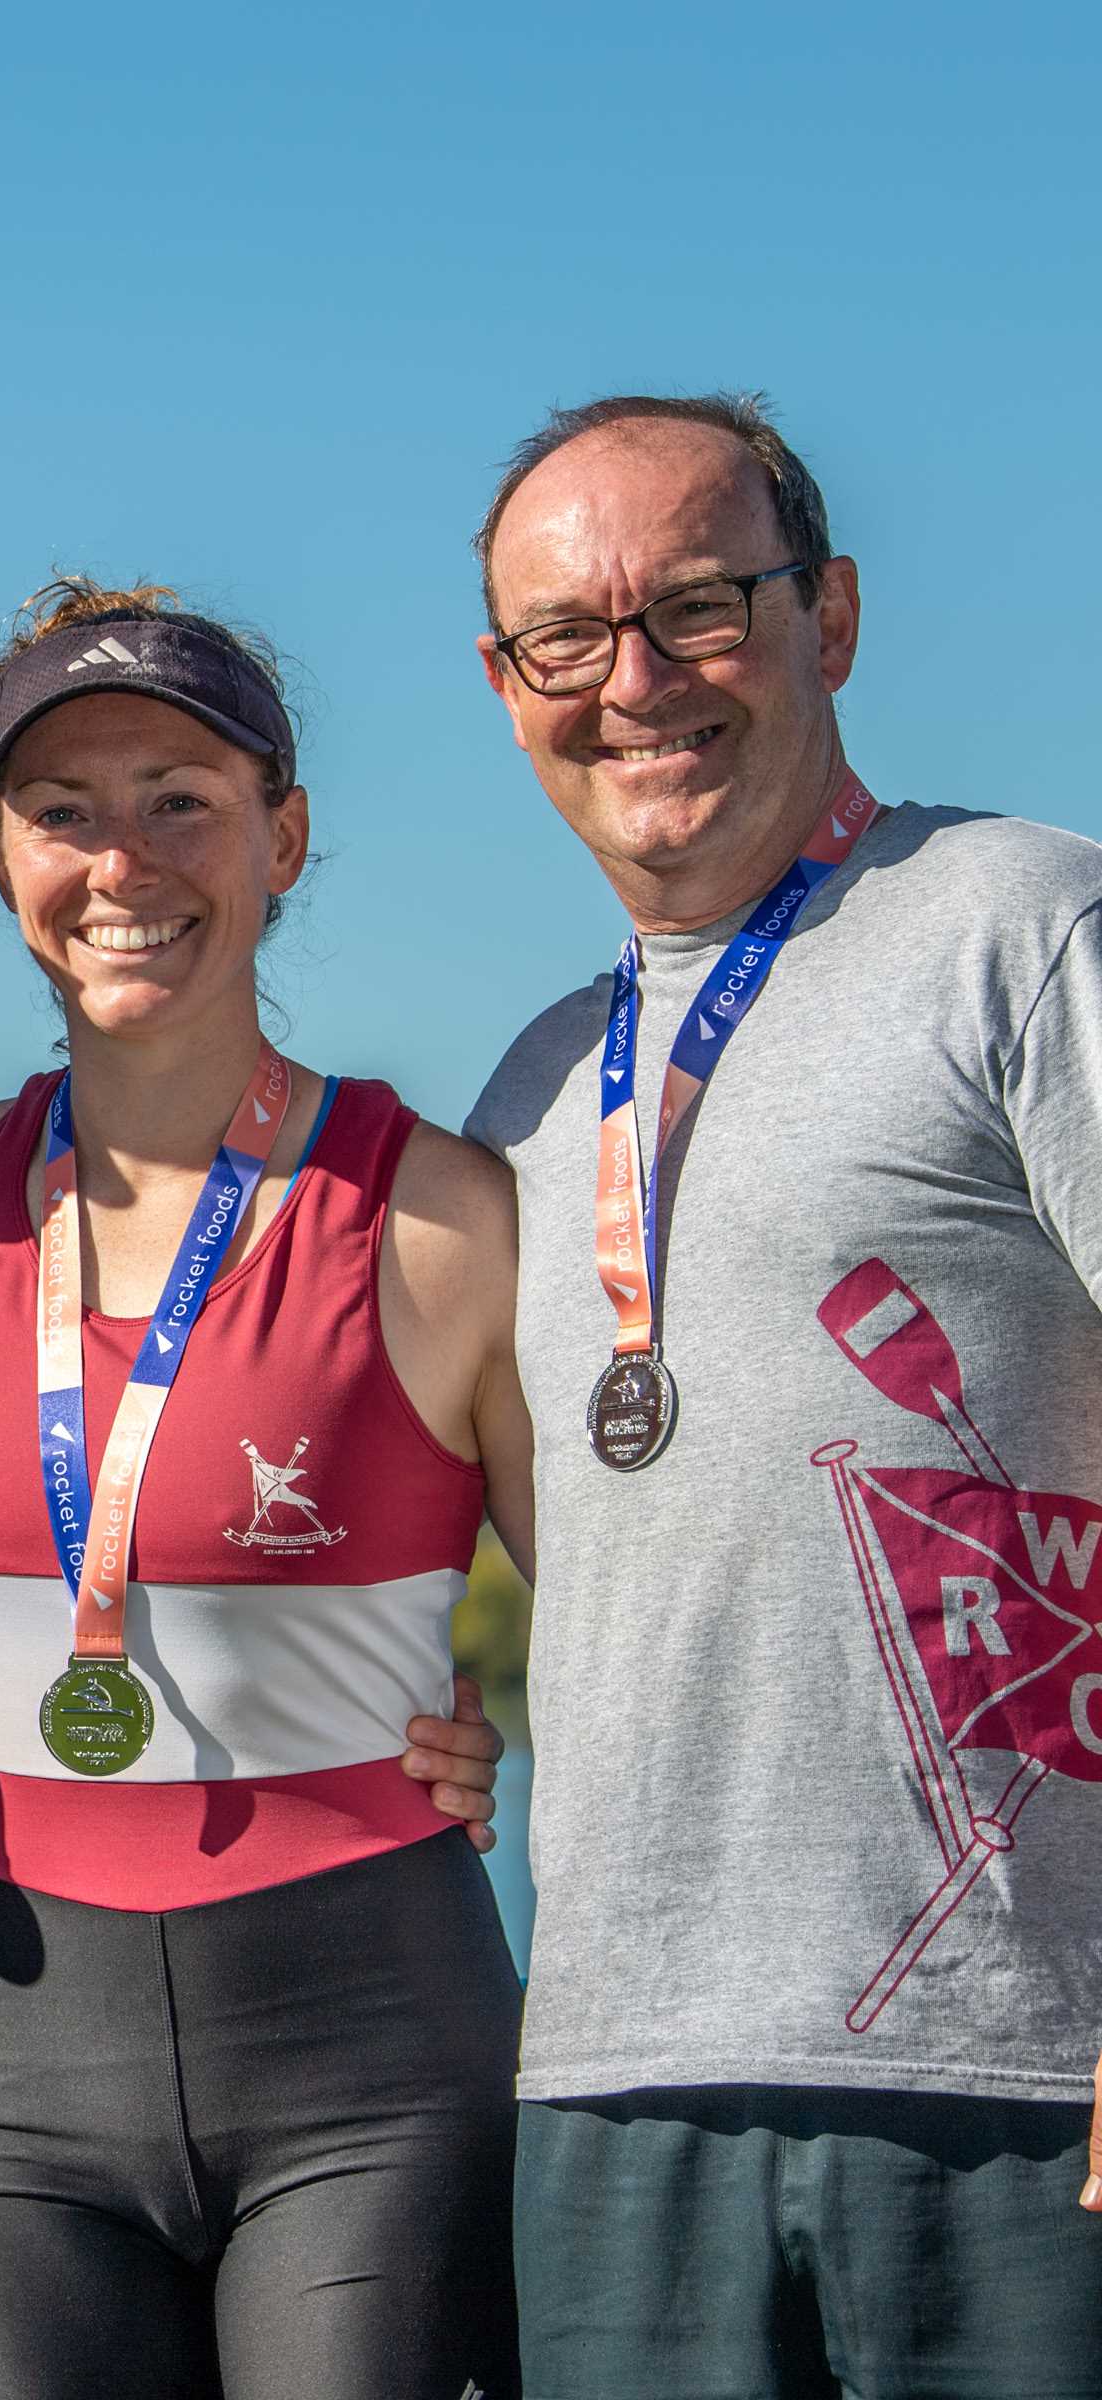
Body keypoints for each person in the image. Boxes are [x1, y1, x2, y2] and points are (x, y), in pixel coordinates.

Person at [461, 393, 1102, 2397]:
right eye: (566, 636)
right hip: (610, 2082)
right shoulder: (527, 1093)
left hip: (1013, 2070)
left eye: (701, 608)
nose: (632, 682)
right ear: (506, 689)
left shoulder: (1022, 922)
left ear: (828, 614)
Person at [0, 579, 529, 2399]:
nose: (123, 861)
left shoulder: (437, 1215)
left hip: (368, 2053)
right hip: (8, 2060)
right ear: (1, 850)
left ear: (287, 836)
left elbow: (643, 1604)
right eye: (65, 810)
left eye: (182, 798)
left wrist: (476, 1722)